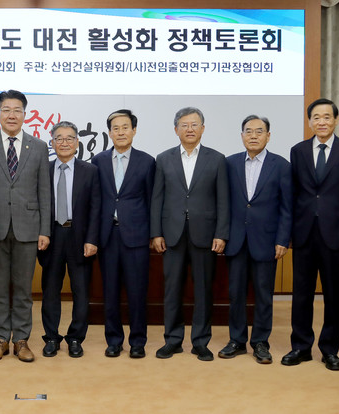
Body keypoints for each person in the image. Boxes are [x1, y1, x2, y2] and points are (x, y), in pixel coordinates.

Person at [282, 98, 339, 371]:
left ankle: (329, 350)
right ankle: (301, 346)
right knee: (301, 293)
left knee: (333, 294)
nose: (322, 122)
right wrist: (289, 232)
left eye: (327, 117)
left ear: (336, 120)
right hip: (304, 233)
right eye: (316, 117)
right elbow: (293, 194)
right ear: (309, 122)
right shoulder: (298, 151)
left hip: (335, 234)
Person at [0, 90, 51, 363]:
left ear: (25, 114)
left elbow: (44, 191)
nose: (11, 115)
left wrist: (44, 230)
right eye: (6, 110)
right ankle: (0, 339)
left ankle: (21, 340)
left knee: (23, 290)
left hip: (28, 228)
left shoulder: (38, 146)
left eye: (17, 110)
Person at [150, 107, 229, 362]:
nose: (190, 129)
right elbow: (157, 198)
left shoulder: (217, 159)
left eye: (195, 124)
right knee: (172, 289)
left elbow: (223, 200)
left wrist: (221, 233)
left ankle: (200, 342)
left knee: (203, 290)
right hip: (171, 234)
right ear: (176, 130)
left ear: (203, 128)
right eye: (184, 125)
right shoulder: (163, 158)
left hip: (205, 234)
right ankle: (172, 340)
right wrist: (156, 233)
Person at [219, 115, 291, 364]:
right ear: (242, 136)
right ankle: (237, 340)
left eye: (259, 131)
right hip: (236, 240)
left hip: (266, 241)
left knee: (263, 295)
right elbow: (223, 203)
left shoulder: (281, 165)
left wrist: (283, 239)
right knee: (236, 294)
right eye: (248, 131)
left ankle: (260, 342)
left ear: (268, 136)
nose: (253, 135)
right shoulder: (229, 163)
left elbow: (287, 207)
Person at [92, 109, 155, 359]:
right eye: (115, 128)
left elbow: (152, 201)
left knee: (137, 292)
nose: (120, 132)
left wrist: (154, 234)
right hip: (108, 236)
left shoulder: (147, 161)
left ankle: (138, 341)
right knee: (110, 291)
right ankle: (114, 340)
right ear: (109, 133)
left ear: (134, 130)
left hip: (136, 236)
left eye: (125, 127)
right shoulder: (98, 161)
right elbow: (96, 200)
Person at [38, 121, 101, 358]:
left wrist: (92, 239)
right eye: (59, 138)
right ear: (52, 143)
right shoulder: (43, 169)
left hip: (79, 236)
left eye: (69, 138)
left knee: (81, 291)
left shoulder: (90, 171)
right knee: (50, 291)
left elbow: (96, 208)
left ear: (77, 143)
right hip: (51, 235)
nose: (64, 143)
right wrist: (41, 232)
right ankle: (51, 338)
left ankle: (76, 338)